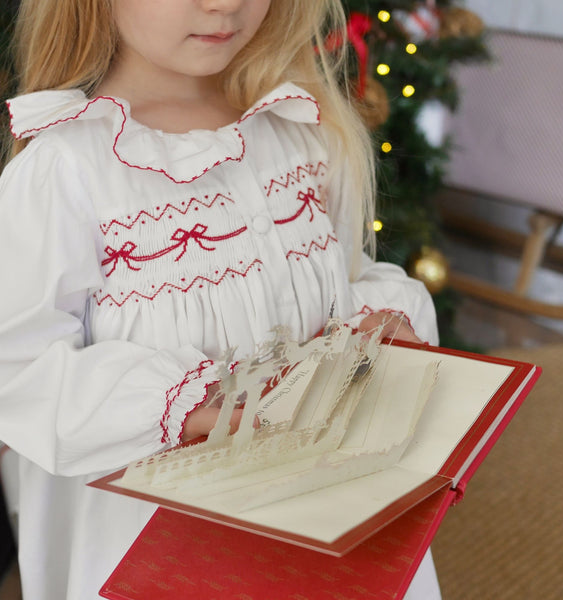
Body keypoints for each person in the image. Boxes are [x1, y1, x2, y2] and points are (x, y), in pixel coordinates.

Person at [0, 0, 442, 598]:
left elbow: (343, 277)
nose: (226, 4)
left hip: (321, 506)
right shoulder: (67, 166)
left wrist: (378, 320)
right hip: (153, 542)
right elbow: (19, 369)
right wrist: (180, 406)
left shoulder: (300, 128)